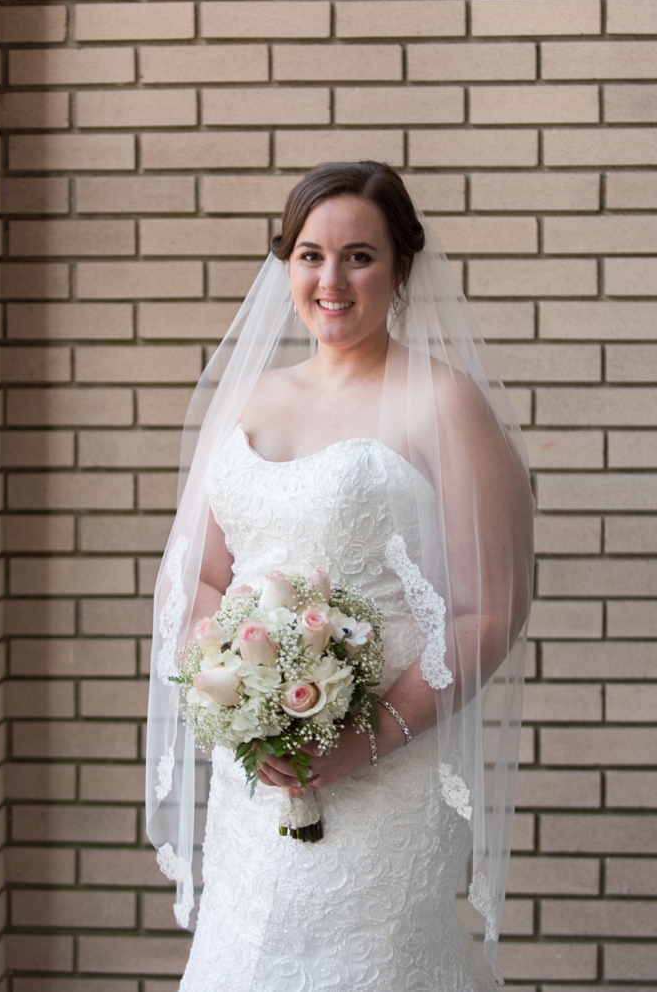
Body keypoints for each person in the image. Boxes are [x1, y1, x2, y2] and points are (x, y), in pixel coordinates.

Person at [146, 162, 533, 989]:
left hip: (386, 770)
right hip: (256, 777)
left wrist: (369, 736)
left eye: (359, 256)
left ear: (399, 268)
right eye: (310, 254)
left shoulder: (443, 401)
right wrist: (237, 696)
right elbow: (206, 579)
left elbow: (490, 610)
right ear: (285, 265)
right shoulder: (253, 396)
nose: (331, 279)